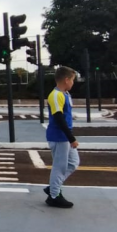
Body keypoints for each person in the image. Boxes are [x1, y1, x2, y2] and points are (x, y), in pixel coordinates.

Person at [44, 66, 79, 208]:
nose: (73, 83)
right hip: (59, 136)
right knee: (60, 167)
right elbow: (59, 117)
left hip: (63, 136)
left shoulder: (65, 94)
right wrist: (71, 138)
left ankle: (53, 186)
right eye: (72, 80)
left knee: (73, 163)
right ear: (66, 80)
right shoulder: (55, 95)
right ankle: (54, 196)